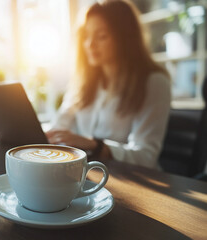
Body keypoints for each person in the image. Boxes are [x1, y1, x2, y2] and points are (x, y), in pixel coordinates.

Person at [46, 0, 171, 169]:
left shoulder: (154, 82)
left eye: (101, 36)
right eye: (86, 36)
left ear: (125, 38)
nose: (90, 44)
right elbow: (59, 127)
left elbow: (146, 156)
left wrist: (96, 145)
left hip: (136, 180)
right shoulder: (83, 82)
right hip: (90, 173)